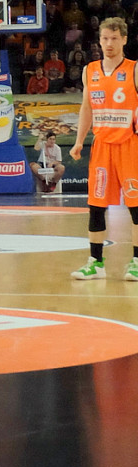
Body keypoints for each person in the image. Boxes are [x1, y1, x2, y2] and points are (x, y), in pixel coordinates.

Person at [70, 17, 138, 280]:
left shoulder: (134, 69)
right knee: (96, 206)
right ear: (99, 41)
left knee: (135, 207)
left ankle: (136, 262)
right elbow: (86, 108)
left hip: (130, 145)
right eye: (105, 38)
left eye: (114, 38)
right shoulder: (90, 70)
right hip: (102, 146)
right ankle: (95, 263)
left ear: (124, 40)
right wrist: (79, 141)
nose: (109, 43)